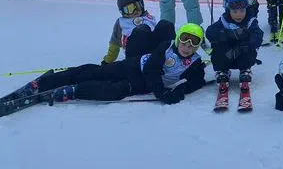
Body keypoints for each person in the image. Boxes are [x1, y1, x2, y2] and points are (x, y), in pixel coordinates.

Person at [1, 24, 207, 115]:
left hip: (142, 83)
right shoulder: (166, 46)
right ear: (178, 38)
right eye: (184, 40)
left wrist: (179, 92)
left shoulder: (195, 62)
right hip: (136, 66)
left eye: (193, 43)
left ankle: (74, 90)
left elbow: (196, 81)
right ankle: (43, 84)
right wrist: (162, 92)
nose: (187, 46)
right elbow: (153, 69)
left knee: (114, 91)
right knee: (96, 72)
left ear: (197, 46)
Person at [206, 0, 264, 107]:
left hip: (242, 54)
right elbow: (210, 32)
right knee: (218, 48)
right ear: (229, 10)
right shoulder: (224, 21)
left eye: (242, 11)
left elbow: (258, 34)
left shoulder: (250, 22)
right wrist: (222, 35)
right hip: (227, 55)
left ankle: (245, 69)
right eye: (235, 11)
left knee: (247, 47)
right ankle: (222, 71)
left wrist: (250, 44)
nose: (239, 15)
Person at [101, 0, 174, 64]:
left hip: (153, 50)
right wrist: (108, 60)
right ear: (122, 12)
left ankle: (173, 56)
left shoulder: (147, 17)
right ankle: (138, 63)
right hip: (135, 53)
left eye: (138, 6)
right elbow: (115, 43)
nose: (135, 11)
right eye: (130, 9)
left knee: (165, 24)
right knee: (142, 30)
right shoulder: (122, 22)